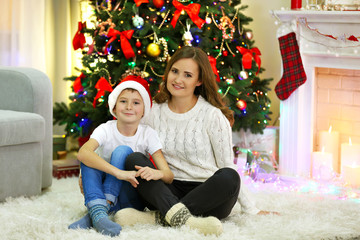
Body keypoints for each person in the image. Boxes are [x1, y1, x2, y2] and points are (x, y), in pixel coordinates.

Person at [114, 46, 274, 236]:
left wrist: (251, 209)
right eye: (174, 71)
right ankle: (181, 217)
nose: (178, 79)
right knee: (134, 158)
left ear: (199, 80)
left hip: (208, 196)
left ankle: (158, 218)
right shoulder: (154, 111)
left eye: (187, 75)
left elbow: (226, 165)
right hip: (166, 189)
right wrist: (92, 172)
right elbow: (123, 139)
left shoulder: (213, 116)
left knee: (229, 176)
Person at [68, 75, 174, 237]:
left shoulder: (148, 134)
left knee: (122, 151)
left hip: (130, 198)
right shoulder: (105, 129)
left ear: (143, 111)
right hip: (103, 190)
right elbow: (83, 152)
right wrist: (119, 173)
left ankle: (97, 212)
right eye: (123, 101)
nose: (129, 107)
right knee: (88, 159)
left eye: (136, 103)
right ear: (114, 107)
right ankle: (99, 213)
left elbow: (168, 176)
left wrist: (156, 173)